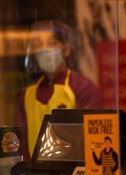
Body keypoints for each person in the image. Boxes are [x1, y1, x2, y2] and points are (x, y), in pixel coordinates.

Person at [16, 20, 101, 161]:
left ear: (66, 50)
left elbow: (92, 141)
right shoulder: (26, 95)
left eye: (52, 43)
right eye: (38, 44)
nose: (44, 49)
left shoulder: (84, 88)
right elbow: (21, 143)